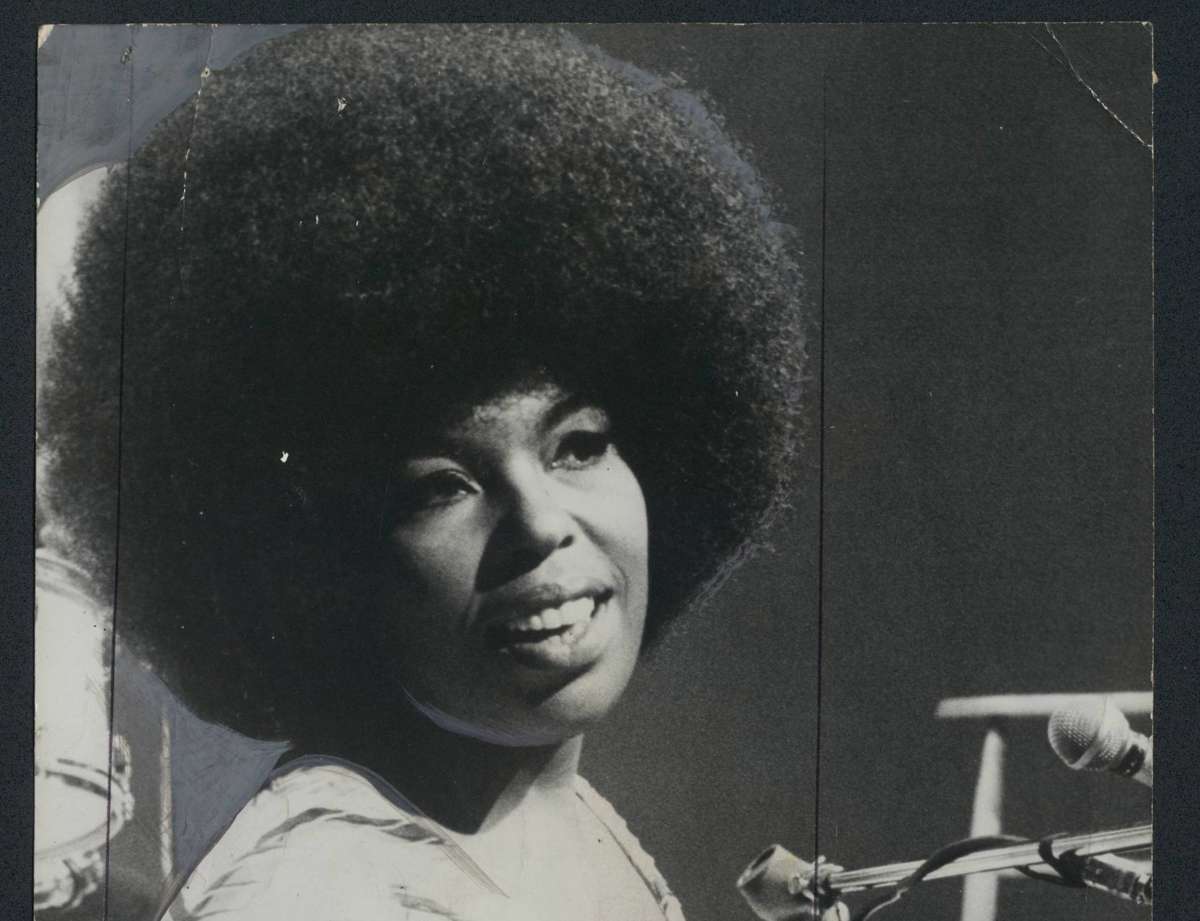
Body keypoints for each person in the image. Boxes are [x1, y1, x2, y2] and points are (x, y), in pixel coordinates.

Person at [39, 24, 837, 921]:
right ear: (320, 564)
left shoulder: (553, 813)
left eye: (577, 445)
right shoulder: (320, 895)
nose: (541, 523)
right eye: (442, 487)